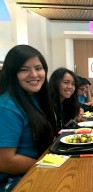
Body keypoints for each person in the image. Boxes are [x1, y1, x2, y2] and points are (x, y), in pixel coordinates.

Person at [0, 45, 55, 191]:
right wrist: (46, 164)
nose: (34, 74)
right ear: (12, 73)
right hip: (12, 179)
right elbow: (5, 162)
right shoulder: (7, 107)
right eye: (24, 70)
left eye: (38, 68)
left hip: (34, 169)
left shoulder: (33, 98)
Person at [49, 68, 80, 132]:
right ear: (55, 83)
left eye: (73, 84)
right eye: (66, 82)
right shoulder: (48, 105)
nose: (70, 87)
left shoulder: (66, 103)